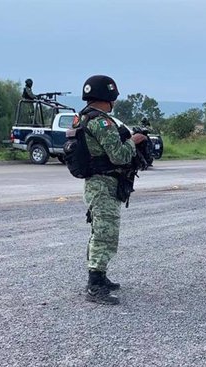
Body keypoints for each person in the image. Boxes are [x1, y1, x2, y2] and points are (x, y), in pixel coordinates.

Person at [76, 75, 147, 304]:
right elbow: (119, 155)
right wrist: (133, 141)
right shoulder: (102, 122)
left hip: (98, 183)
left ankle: (100, 275)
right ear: (108, 97)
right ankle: (94, 284)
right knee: (105, 233)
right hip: (103, 184)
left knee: (101, 231)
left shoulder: (83, 117)